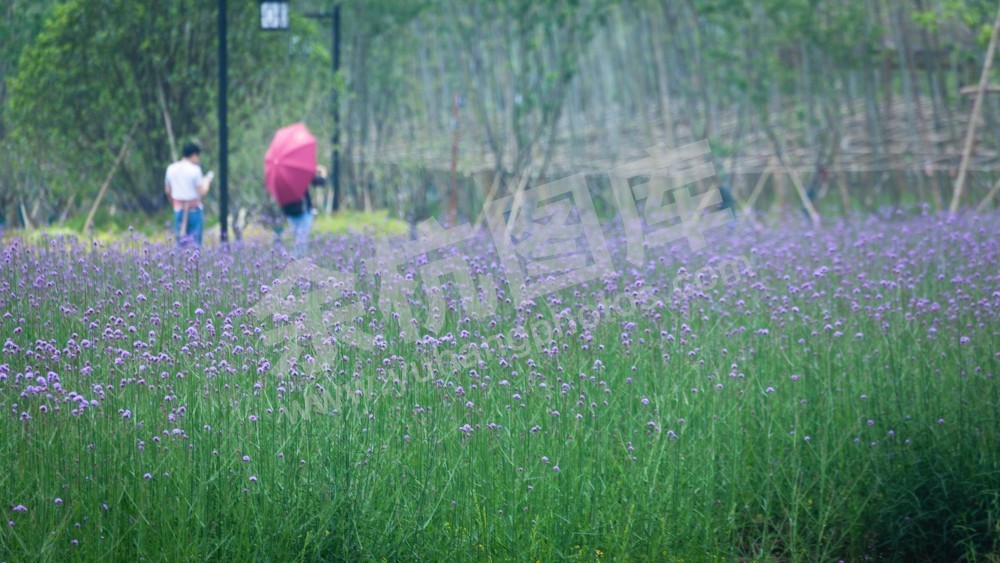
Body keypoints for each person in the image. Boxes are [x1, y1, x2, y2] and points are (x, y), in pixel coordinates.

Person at [165, 142, 213, 246]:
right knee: (195, 245)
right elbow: (202, 191)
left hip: (178, 210)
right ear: (194, 155)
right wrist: (207, 181)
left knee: (180, 244)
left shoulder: (171, 169)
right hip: (194, 210)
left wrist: (174, 203)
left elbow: (168, 190)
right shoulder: (195, 170)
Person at [281, 165, 325, 258]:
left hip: (291, 212)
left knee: (299, 239)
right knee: (301, 240)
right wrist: (323, 172)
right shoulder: (302, 174)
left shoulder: (282, 175)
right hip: (302, 212)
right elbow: (320, 182)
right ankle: (295, 262)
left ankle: (297, 263)